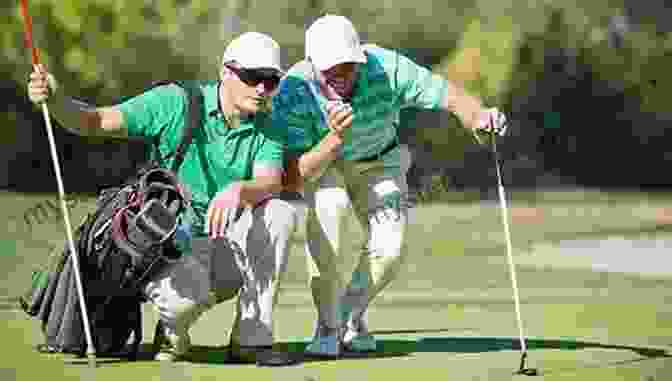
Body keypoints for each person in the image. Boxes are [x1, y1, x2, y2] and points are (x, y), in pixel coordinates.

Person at [27, 32, 299, 363]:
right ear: (226, 72)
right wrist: (56, 100)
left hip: (222, 247)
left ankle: (251, 339)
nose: (261, 89)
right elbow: (95, 120)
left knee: (280, 212)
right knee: (187, 297)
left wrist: (239, 189)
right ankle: (172, 332)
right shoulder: (174, 102)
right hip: (166, 249)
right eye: (253, 77)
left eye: (271, 81)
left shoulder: (268, 125)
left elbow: (269, 182)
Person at [273, 15, 508, 357]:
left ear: (360, 59)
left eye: (347, 67)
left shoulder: (386, 67)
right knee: (330, 212)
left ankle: (348, 318)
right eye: (330, 70)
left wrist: (478, 116)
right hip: (325, 165)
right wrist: (334, 140)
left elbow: (447, 95)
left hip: (379, 161)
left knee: (391, 247)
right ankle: (326, 326)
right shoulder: (293, 89)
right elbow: (295, 175)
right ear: (311, 65)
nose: (340, 76)